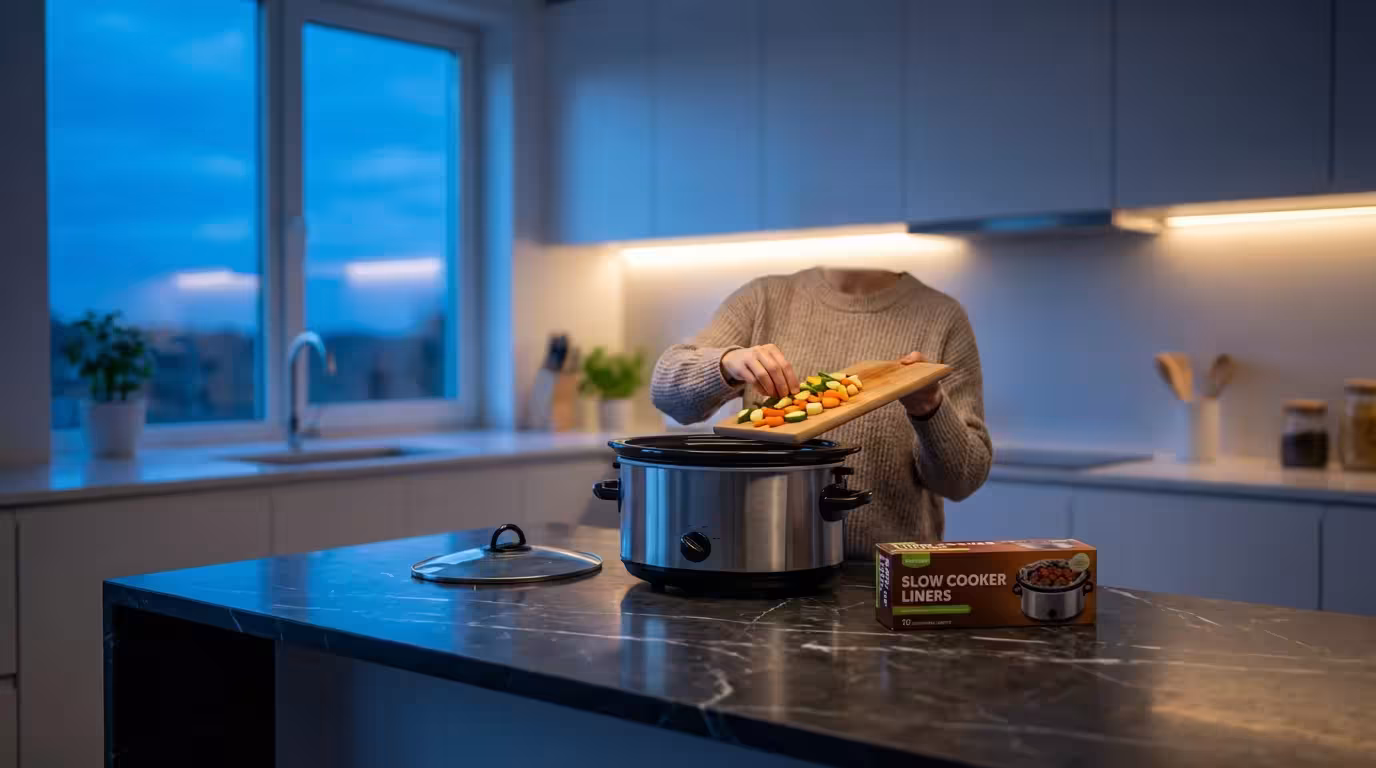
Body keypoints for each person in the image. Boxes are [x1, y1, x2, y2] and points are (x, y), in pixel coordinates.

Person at [651, 267, 992, 557]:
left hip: (884, 574)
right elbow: (667, 393)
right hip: (762, 559)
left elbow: (962, 479)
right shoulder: (763, 300)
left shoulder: (941, 316)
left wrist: (929, 408)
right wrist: (725, 363)